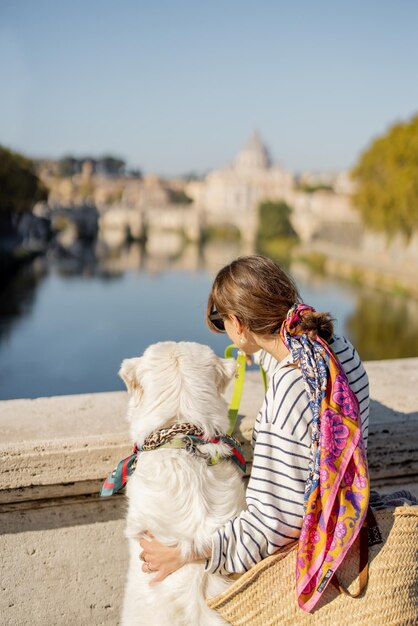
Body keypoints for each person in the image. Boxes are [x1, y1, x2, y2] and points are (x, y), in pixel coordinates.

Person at [139, 255, 370, 612]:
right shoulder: (339, 351)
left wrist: (187, 553)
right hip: (350, 526)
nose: (221, 328)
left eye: (221, 320)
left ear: (239, 324)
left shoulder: (288, 391)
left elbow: (271, 524)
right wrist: (259, 349)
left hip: (310, 569)